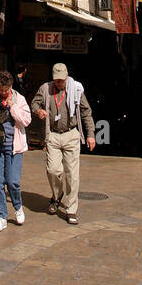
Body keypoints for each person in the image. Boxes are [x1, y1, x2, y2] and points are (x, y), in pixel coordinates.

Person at [31, 62, 96, 225]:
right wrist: (38, 111)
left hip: (71, 134)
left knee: (72, 175)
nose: (60, 83)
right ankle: (57, 194)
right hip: (53, 135)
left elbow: (86, 112)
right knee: (53, 170)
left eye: (62, 80)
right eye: (57, 80)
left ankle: (71, 209)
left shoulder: (76, 89)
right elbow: (34, 103)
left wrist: (91, 134)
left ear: (67, 77)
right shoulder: (46, 89)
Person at [0, 70, 32, 231]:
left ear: (11, 86)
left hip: (14, 148)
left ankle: (17, 207)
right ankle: (1, 215)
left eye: (6, 90)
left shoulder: (19, 99)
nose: (3, 93)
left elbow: (26, 120)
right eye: (1, 90)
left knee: (12, 181)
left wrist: (13, 107)